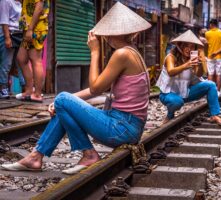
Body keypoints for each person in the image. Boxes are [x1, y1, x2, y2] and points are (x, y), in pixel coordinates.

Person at [1, 2, 151, 175]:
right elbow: (95, 90)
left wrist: (94, 53)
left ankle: (88, 154)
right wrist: (64, 102)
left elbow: (95, 89)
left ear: (111, 34)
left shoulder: (122, 54)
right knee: (63, 103)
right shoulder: (132, 52)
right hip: (126, 126)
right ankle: (36, 157)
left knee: (63, 99)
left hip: (121, 128)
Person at [156, 30, 221, 126]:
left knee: (211, 85)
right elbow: (171, 72)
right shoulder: (171, 57)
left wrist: (200, 65)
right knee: (177, 102)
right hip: (168, 94)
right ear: (180, 46)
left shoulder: (192, 59)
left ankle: (214, 115)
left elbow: (199, 75)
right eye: (186, 46)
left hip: (185, 93)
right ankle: (170, 115)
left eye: (192, 47)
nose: (189, 49)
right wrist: (186, 65)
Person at [15, 0, 50, 102]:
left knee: (35, 59)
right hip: (29, 27)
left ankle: (38, 94)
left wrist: (30, 29)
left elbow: (39, 7)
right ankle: (29, 90)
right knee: (21, 58)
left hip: (36, 28)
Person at [0, 0, 25, 99]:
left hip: (18, 35)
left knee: (21, 62)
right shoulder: (6, 1)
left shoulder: (19, 3)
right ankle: (3, 88)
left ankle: (26, 88)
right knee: (7, 63)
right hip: (8, 34)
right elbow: (4, 21)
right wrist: (7, 38)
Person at [205, 19, 221, 93]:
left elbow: (206, 45)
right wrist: (217, 52)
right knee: (218, 74)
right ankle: (218, 91)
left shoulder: (207, 33)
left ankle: (210, 91)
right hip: (219, 57)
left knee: (210, 74)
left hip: (210, 56)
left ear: (211, 24)